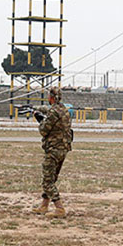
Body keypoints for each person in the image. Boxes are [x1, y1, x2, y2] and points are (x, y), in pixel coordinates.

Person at [32, 88, 73, 218]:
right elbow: (49, 110)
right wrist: (35, 109)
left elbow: (44, 130)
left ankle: (59, 208)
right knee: (52, 178)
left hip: (53, 149)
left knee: (47, 181)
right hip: (63, 149)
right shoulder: (64, 110)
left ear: (52, 98)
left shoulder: (53, 112)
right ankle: (44, 205)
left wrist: (39, 120)